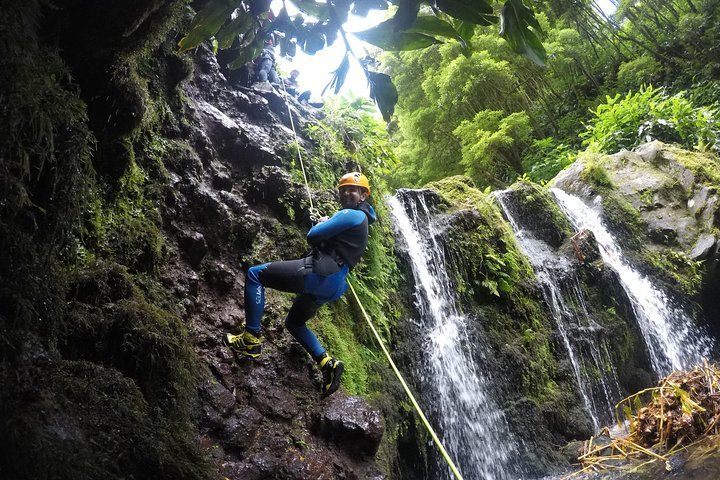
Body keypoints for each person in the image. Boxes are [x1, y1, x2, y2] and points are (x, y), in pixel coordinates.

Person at [223, 172, 377, 397]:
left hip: (319, 273)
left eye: (352, 190)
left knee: (255, 275)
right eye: (343, 189)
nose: (346, 193)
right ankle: (327, 364)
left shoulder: (352, 215)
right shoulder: (362, 221)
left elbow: (313, 235)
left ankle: (251, 338)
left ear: (363, 195)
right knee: (294, 323)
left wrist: (326, 222)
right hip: (334, 284)